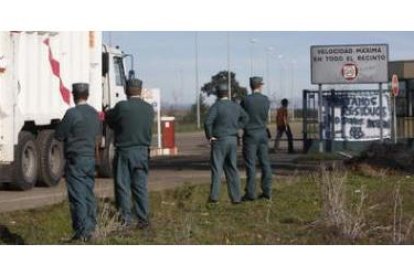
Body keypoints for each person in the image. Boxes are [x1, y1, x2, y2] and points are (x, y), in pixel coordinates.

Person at [105, 78, 154, 229]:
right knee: (140, 186)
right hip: (142, 152)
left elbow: (110, 119)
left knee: (123, 185)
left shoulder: (121, 107)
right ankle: (143, 218)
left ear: (126, 90)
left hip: (125, 151)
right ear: (140, 90)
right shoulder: (148, 108)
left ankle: (126, 219)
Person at [55, 83, 101, 242]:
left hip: (76, 159)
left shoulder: (72, 113)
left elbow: (59, 135)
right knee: (88, 194)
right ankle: (91, 227)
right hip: (90, 158)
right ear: (87, 95)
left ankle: (82, 232)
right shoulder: (94, 113)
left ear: (74, 95)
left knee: (77, 196)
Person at [204, 83, 249, 204]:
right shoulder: (235, 106)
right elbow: (246, 117)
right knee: (232, 168)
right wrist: (237, 127)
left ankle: (214, 197)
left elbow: (208, 121)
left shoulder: (216, 106)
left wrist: (210, 136)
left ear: (217, 94)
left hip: (219, 140)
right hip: (233, 139)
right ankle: (236, 197)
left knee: (217, 168)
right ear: (228, 93)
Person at [240, 76, 273, 201]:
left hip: (250, 134)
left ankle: (251, 193)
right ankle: (267, 190)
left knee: (251, 164)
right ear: (260, 85)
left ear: (251, 86)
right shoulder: (266, 100)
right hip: (263, 133)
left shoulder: (246, 100)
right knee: (265, 163)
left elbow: (241, 115)